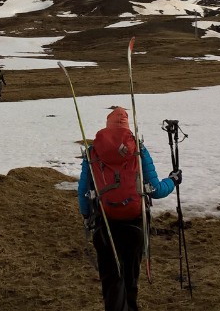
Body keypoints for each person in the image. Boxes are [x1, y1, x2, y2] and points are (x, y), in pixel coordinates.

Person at [78, 107, 181, 311]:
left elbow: (83, 191)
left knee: (110, 280)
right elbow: (156, 190)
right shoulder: (138, 150)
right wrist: (173, 180)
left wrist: (87, 215)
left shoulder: (93, 151)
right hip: (134, 223)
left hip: (105, 224)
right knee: (129, 278)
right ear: (127, 127)